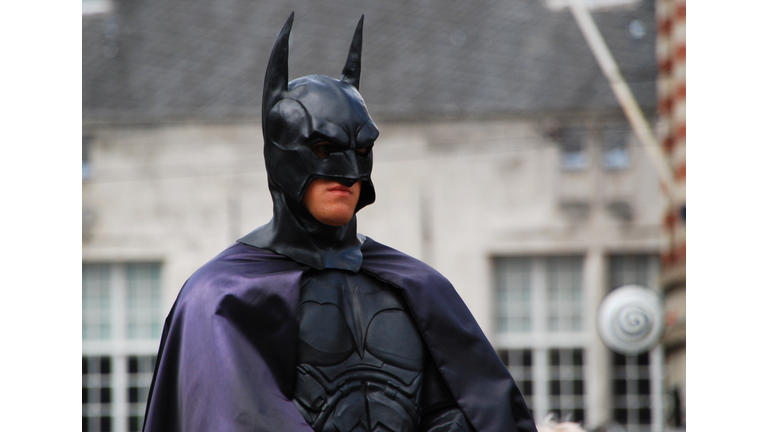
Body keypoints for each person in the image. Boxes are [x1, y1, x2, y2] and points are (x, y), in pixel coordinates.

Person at [142, 13, 536, 432]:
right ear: (282, 155)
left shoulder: (418, 286)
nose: (349, 172)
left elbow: (475, 411)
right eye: (325, 148)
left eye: (361, 150)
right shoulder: (221, 298)